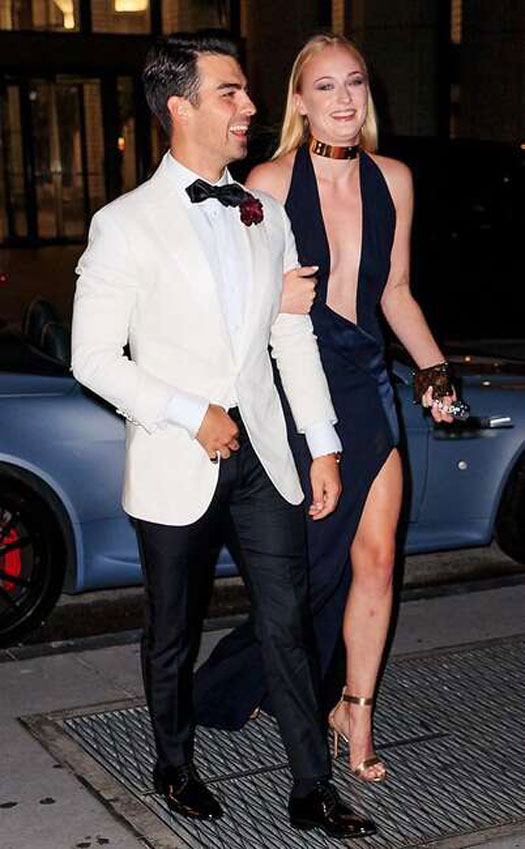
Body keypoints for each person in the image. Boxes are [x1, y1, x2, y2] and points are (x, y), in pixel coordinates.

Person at [71, 30, 376, 839]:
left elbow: (289, 334)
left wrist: (322, 441)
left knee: (289, 622)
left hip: (265, 458)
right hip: (176, 456)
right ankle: (174, 765)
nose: (249, 106)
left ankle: (310, 786)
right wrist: (187, 412)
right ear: (180, 107)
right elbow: (92, 359)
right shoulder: (123, 224)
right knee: (172, 631)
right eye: (230, 92)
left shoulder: (263, 213)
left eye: (244, 91)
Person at [194, 32, 457, 784]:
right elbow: (237, 303)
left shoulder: (394, 179)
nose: (344, 99)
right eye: (326, 87)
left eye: (355, 83)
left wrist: (434, 371)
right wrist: (270, 297)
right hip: (299, 390)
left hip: (368, 384)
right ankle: (246, 676)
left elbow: (394, 291)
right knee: (308, 572)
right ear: (299, 102)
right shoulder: (268, 182)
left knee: (377, 560)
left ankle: (355, 710)